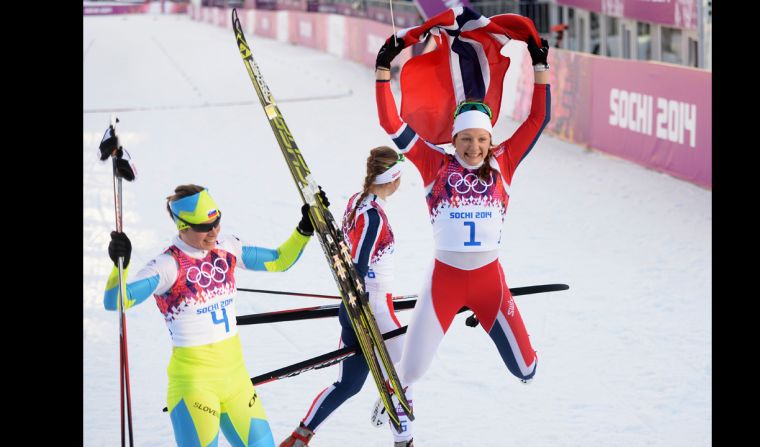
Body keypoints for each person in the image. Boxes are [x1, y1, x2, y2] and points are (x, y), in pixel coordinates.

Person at [372, 34, 552, 446]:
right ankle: (404, 426)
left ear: (491, 141)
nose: (474, 147)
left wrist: (540, 68)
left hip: (489, 281)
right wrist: (384, 70)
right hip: (445, 281)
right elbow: (391, 124)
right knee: (410, 371)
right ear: (453, 140)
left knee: (527, 371)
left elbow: (537, 121)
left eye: (481, 140)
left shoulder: (504, 161)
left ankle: (488, 321)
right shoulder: (433, 162)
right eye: (466, 140)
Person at [104, 184, 327, 447]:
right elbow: (115, 301)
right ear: (182, 226)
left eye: (216, 222)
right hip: (194, 386)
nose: (213, 232)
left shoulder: (227, 247)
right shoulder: (167, 265)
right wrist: (122, 265)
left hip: (236, 381)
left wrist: (304, 228)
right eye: (203, 227)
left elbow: (280, 260)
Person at [280, 147, 410, 447]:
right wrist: (361, 303)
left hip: (354, 308)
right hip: (373, 310)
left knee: (348, 385)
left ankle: (300, 436)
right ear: (394, 180)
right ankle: (402, 433)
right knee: (409, 370)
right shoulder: (375, 217)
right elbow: (360, 266)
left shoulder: (356, 201)